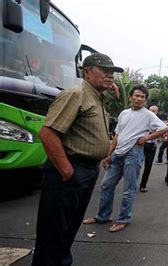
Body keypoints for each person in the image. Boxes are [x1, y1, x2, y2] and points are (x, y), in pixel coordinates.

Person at [33, 53, 124, 265]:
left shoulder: (95, 97)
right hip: (71, 170)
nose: (110, 76)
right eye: (105, 71)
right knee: (54, 233)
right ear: (87, 72)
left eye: (112, 73)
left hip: (87, 171)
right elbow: (48, 133)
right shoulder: (76, 94)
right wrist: (67, 171)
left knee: (68, 229)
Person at [83, 85, 167, 233]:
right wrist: (109, 154)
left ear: (145, 100)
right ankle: (103, 216)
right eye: (137, 95)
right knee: (106, 185)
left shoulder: (148, 115)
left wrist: (146, 138)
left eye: (142, 97)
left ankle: (123, 219)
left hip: (134, 153)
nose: (139, 99)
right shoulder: (124, 113)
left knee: (129, 190)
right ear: (131, 97)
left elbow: (164, 128)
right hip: (118, 153)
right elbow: (117, 135)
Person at [139, 105, 161, 192]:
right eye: (151, 110)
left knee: (148, 166)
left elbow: (162, 131)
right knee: (136, 165)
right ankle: (132, 184)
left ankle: (143, 185)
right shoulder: (142, 119)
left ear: (157, 112)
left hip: (152, 146)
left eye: (154, 111)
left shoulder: (158, 121)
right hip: (142, 144)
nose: (152, 112)